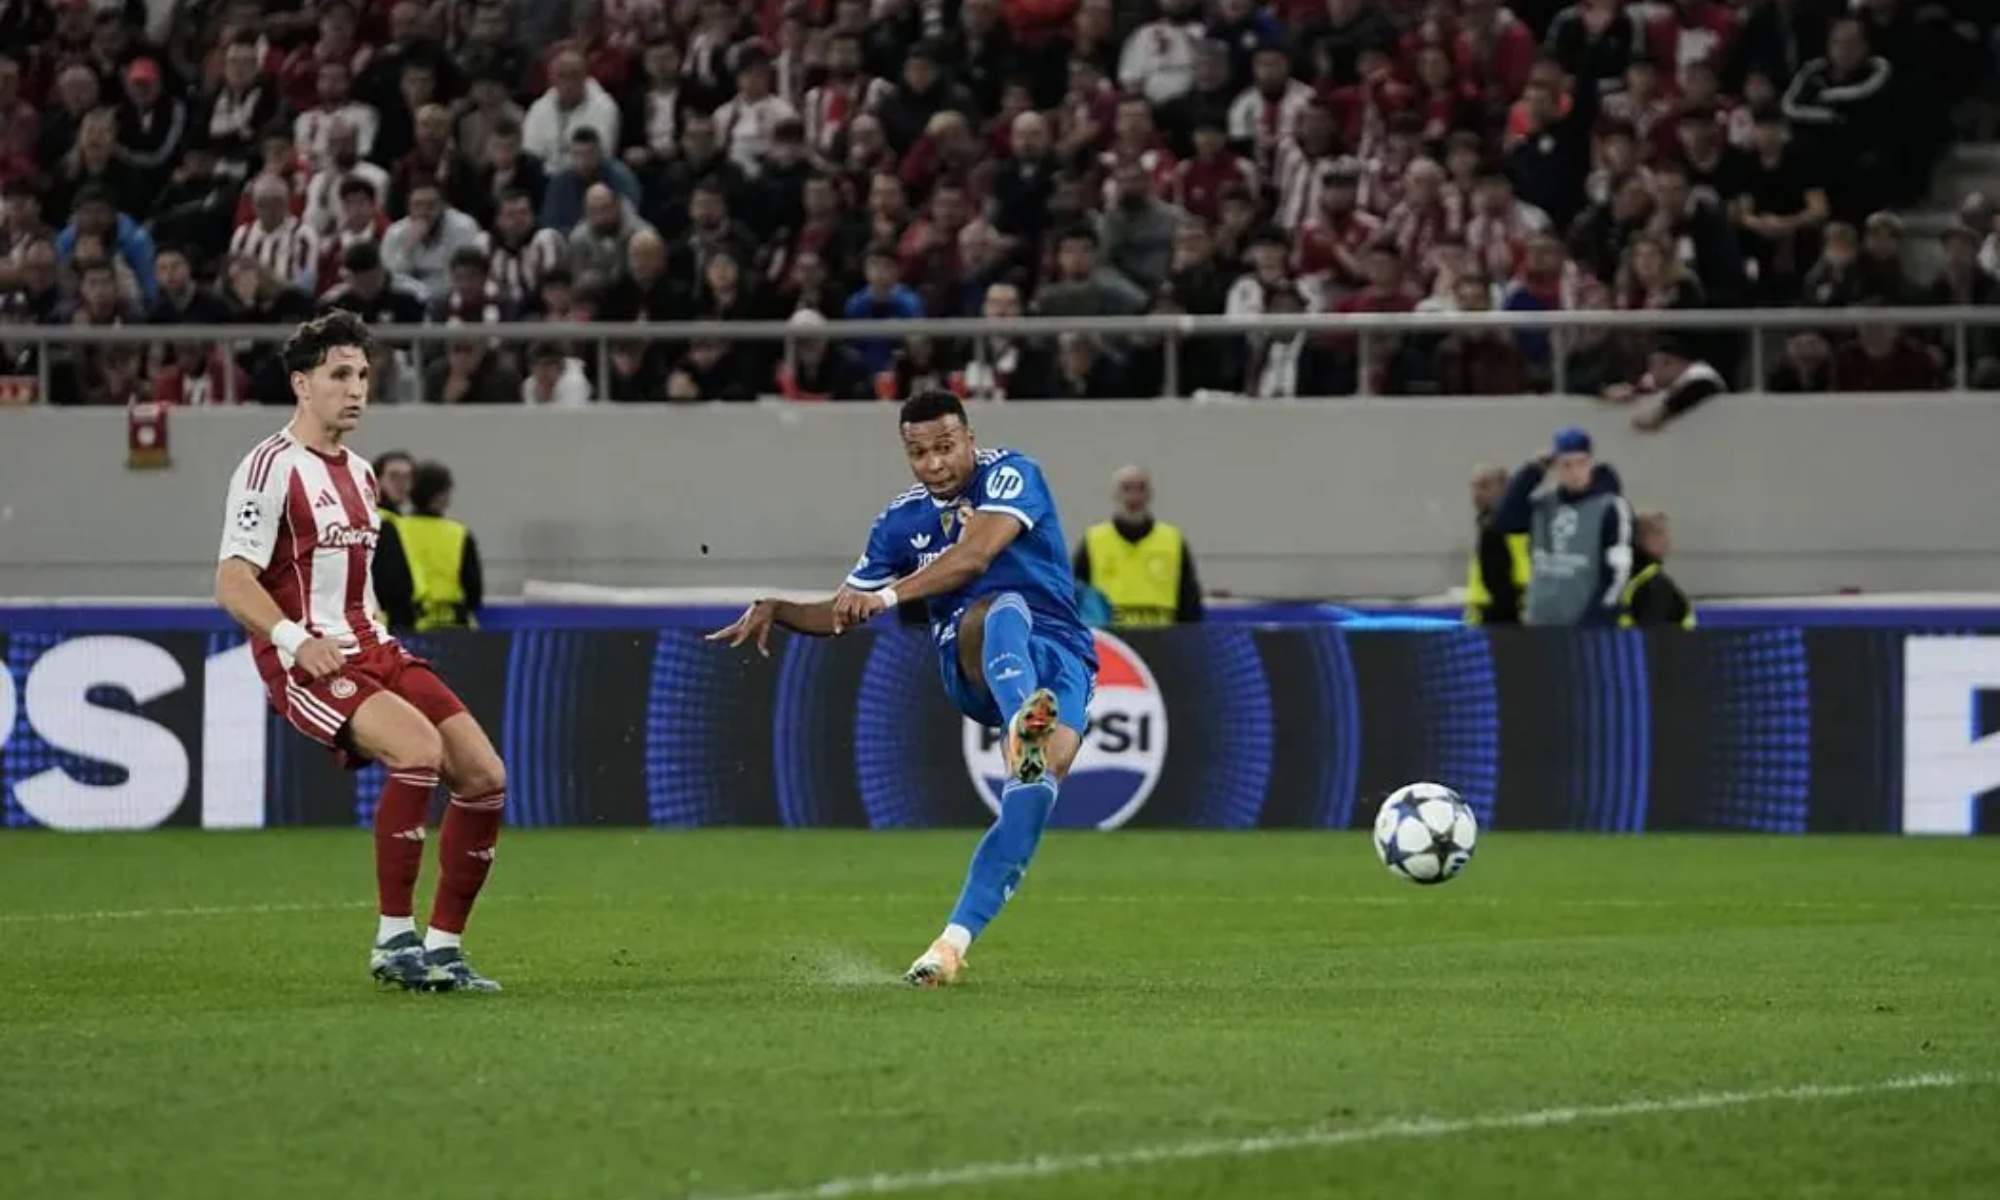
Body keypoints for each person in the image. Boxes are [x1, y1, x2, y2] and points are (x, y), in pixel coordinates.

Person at [709, 390, 1098, 987]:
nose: (934, 463)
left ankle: (949, 945)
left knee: (1034, 791)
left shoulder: (1013, 474)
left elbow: (974, 556)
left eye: (945, 447)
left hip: (1062, 654)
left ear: (970, 439)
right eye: (919, 453)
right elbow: (845, 610)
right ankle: (1022, 721)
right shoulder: (899, 523)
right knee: (1001, 607)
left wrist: (889, 596)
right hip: (974, 656)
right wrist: (780, 608)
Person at [213, 311, 505, 992]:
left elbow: (354, 582)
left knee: (485, 777)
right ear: (301, 384)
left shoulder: (364, 476)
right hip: (306, 659)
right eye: (340, 375)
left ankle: (444, 949)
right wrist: (295, 640)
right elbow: (232, 581)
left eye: (364, 376)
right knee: (418, 751)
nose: (356, 390)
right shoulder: (268, 467)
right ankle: (393, 941)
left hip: (373, 648)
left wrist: (375, 634)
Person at [1495, 427, 1634, 628]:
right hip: (1538, 623)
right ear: (1556, 467)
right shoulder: (1542, 505)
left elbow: (1618, 573)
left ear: (1590, 463)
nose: (1574, 472)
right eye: (1566, 465)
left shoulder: (1611, 508)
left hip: (1585, 625)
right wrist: (1532, 471)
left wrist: (1596, 622)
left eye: (1581, 463)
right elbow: (1504, 521)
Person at [1073, 465, 1203, 627]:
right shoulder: (1093, 541)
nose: (1134, 497)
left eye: (1141, 488)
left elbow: (1189, 600)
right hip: (1111, 638)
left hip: (1162, 637)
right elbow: (1075, 595)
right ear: (1115, 494)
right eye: (1126, 488)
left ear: (1150, 494)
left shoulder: (1173, 541)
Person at [399, 460, 483, 632]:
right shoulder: (459, 533)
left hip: (406, 625)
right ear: (442, 495)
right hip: (453, 625)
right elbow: (474, 591)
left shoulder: (396, 529)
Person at [1464, 464, 1530, 627]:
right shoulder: (1486, 524)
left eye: (1484, 486)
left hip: (1503, 619)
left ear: (1504, 489)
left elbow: (1500, 585)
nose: (1477, 493)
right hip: (1484, 616)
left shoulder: (1502, 527)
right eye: (1474, 486)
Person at [1620, 510, 1695, 629]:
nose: (1667, 540)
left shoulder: (1620, 575)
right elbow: (1654, 632)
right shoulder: (1653, 584)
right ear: (1641, 539)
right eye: (1658, 534)